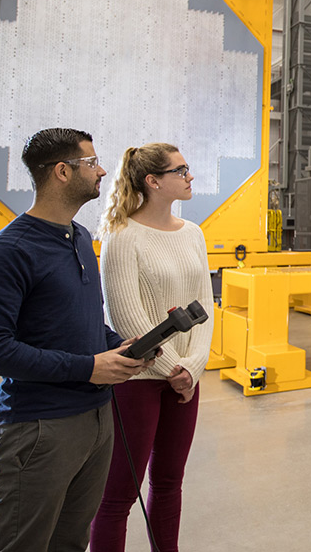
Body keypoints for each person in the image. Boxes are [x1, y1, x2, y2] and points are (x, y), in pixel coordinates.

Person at [0, 127, 148, 552]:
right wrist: (88, 367)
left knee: (71, 541)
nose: (101, 171)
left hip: (96, 420)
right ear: (62, 172)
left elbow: (82, 323)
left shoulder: (80, 238)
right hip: (39, 429)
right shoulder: (8, 251)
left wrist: (117, 345)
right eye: (91, 163)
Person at [89, 143, 214, 552]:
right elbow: (126, 317)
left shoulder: (193, 234)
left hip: (185, 380)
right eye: (181, 170)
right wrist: (175, 369)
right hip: (137, 380)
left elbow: (204, 305)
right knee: (118, 496)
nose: (189, 176)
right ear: (153, 181)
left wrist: (193, 368)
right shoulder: (122, 236)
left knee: (169, 484)